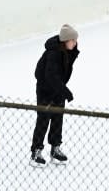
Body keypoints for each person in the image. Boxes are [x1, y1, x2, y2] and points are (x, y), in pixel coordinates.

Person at [30, 24, 79, 167]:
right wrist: (66, 92)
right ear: (65, 41)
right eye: (73, 40)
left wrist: (61, 90)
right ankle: (36, 151)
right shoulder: (53, 53)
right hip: (45, 90)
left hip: (58, 89)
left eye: (75, 40)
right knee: (43, 120)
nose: (75, 43)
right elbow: (50, 76)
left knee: (58, 119)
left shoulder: (68, 52)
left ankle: (55, 148)